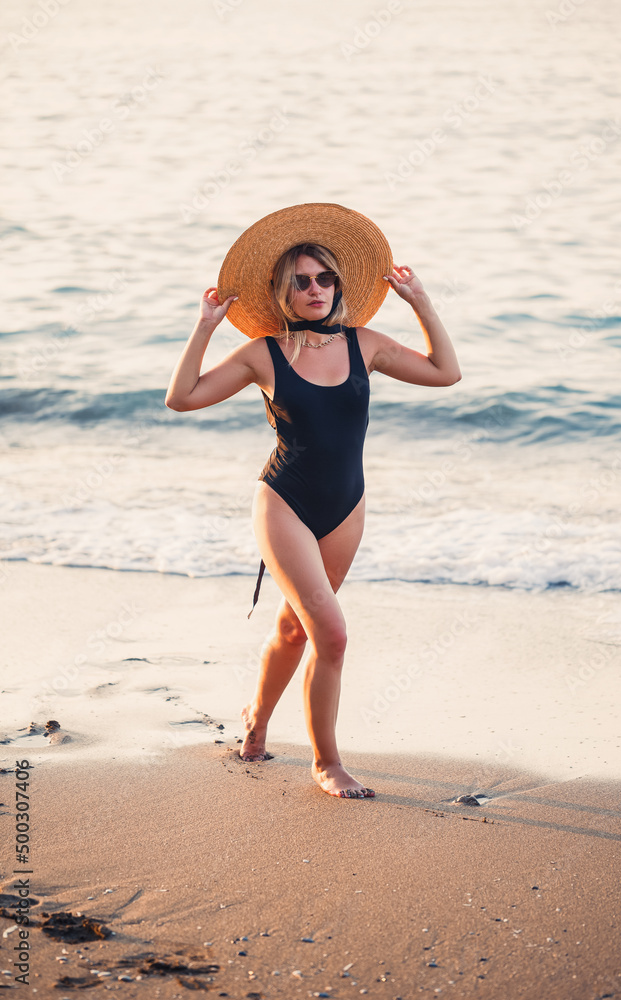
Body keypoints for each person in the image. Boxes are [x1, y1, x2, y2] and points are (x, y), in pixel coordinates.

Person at [165, 203, 461, 799]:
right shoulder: (263, 354)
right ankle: (326, 763)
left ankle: (255, 720)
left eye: (325, 277)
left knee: (295, 628)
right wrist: (205, 326)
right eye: (302, 280)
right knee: (332, 633)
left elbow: (445, 372)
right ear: (283, 291)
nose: (316, 288)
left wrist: (421, 302)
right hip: (285, 503)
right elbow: (183, 398)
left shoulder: (366, 344)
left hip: (346, 508)